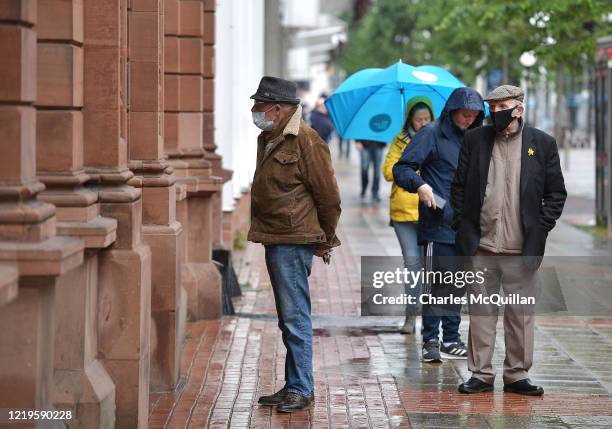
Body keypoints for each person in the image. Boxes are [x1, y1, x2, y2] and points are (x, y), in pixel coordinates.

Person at [451, 85, 566, 396]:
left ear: (519, 109)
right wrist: (462, 226)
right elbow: (459, 187)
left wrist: (541, 228)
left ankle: (517, 374)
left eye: (502, 105)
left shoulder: (542, 144)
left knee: (520, 317)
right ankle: (480, 374)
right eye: (492, 106)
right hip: (481, 246)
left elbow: (556, 194)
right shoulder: (475, 140)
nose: (495, 111)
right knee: (481, 314)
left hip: (521, 248)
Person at [249, 76, 342, 412]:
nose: (254, 111)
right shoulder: (270, 137)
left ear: (277, 108)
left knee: (295, 316)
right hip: (277, 236)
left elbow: (329, 196)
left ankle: (302, 388)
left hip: (293, 238)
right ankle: (294, 383)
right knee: (289, 316)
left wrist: (326, 238)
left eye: (259, 105)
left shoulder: (306, 140)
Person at [393, 87, 485, 362]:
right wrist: (420, 185)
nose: (468, 119)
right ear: (451, 111)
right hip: (438, 221)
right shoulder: (431, 133)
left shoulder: (478, 138)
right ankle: (431, 339)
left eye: (473, 116)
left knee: (457, 283)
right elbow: (402, 169)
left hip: (467, 225)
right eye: (464, 114)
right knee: (437, 284)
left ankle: (452, 338)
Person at [382, 96, 435, 334]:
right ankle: (410, 317)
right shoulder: (400, 141)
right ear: (409, 121)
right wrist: (411, 168)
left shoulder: (438, 139)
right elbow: (387, 171)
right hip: (403, 211)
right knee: (413, 264)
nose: (422, 124)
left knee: (430, 266)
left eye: (427, 119)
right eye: (418, 120)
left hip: (431, 208)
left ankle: (431, 319)